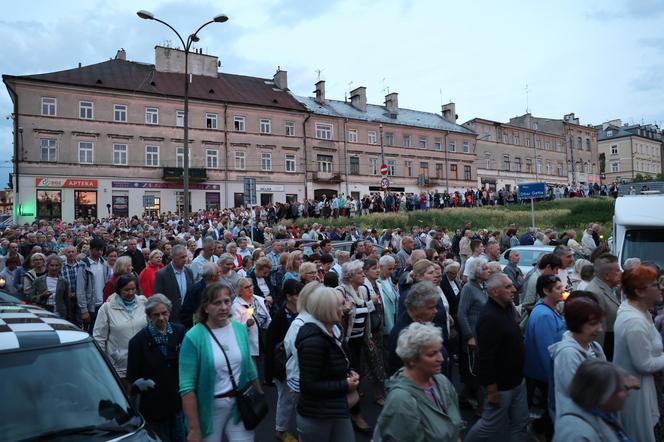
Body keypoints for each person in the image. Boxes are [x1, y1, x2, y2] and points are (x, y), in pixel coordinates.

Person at [179, 283, 261, 442]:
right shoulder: (193, 337)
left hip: (240, 404)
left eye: (227, 301)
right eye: (217, 303)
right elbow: (187, 386)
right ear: (206, 308)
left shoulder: (239, 328)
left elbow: (249, 366)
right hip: (210, 408)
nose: (223, 307)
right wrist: (194, 428)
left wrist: (259, 396)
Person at [465, 273, 528, 441]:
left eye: (512, 285)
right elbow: (485, 357)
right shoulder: (489, 318)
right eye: (507, 287)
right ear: (494, 292)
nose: (514, 289)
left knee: (520, 421)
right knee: (490, 425)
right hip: (501, 385)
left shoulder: (506, 307)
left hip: (517, 380)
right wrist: (492, 390)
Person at [377, 322, 462, 442]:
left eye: (439, 351)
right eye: (432, 354)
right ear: (412, 359)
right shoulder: (401, 400)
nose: (441, 359)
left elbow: (455, 426)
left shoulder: (441, 381)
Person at [295, 285, 357, 442]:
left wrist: (350, 372)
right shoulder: (314, 342)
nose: (345, 308)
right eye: (341, 304)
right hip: (317, 415)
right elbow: (308, 385)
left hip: (335, 408)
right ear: (329, 309)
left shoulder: (333, 331)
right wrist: (345, 384)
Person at [613, 264, 664, 442]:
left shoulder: (640, 311)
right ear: (640, 292)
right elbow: (644, 364)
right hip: (636, 394)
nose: (661, 287)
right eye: (655, 284)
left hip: (642, 387)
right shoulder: (634, 322)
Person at [127, 294, 186, 442]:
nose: (161, 318)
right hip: (154, 406)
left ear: (169, 313)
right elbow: (133, 377)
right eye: (156, 314)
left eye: (164, 313)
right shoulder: (138, 342)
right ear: (149, 316)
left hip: (177, 402)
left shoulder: (179, 332)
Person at [549, 293, 606, 420]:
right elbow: (579, 395)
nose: (600, 329)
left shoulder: (594, 346)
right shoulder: (567, 354)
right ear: (576, 324)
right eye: (593, 324)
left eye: (600, 323)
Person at [523, 274, 566, 438]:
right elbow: (546, 351)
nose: (562, 290)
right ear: (545, 292)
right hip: (544, 375)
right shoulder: (544, 315)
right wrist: (555, 376)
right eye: (558, 288)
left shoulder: (546, 310)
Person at [552, 360, 633, 442]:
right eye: (621, 389)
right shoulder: (576, 434)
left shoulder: (601, 416)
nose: (627, 394)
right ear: (604, 394)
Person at [337, 260, 372, 433]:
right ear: (350, 277)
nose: (363, 275)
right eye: (360, 272)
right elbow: (337, 314)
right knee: (351, 375)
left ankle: (350, 410)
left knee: (358, 373)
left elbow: (366, 315)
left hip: (359, 340)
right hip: (346, 341)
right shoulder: (340, 291)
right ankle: (354, 414)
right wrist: (346, 309)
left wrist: (368, 335)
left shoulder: (363, 290)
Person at [266, 279, 302, 442]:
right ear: (288, 296)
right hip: (284, 365)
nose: (300, 296)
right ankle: (281, 429)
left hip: (298, 362)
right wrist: (270, 372)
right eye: (297, 294)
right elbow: (271, 346)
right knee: (285, 399)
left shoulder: (301, 312)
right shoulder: (280, 317)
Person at [93, 274, 148, 380]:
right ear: (118, 290)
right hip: (119, 364)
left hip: (143, 361)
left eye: (133, 289)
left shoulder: (144, 303)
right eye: (126, 290)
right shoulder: (107, 308)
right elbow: (99, 337)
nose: (131, 293)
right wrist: (104, 362)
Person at [456, 257, 490, 411]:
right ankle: (483, 410)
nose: (488, 271)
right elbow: (461, 314)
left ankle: (462, 398)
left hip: (482, 335)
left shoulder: (482, 286)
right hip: (473, 336)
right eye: (485, 268)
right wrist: (469, 336)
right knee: (478, 371)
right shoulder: (469, 288)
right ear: (477, 271)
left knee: (475, 370)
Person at [586, 253, 622, 361]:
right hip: (606, 350)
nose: (620, 273)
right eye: (618, 270)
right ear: (607, 275)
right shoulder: (595, 293)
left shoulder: (607, 288)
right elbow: (598, 332)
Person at [231, 277, 271, 368]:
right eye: (246, 287)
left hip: (264, 337)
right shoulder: (236, 306)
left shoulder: (258, 299)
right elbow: (235, 329)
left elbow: (267, 317)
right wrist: (247, 325)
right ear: (240, 291)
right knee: (254, 369)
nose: (250, 288)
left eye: (251, 286)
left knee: (264, 366)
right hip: (251, 343)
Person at [77, 238, 112, 332]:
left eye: (101, 250)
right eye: (97, 249)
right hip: (91, 306)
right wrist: (84, 310)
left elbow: (108, 283)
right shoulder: (84, 265)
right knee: (91, 331)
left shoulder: (104, 264)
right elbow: (80, 289)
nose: (100, 252)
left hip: (103, 304)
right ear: (91, 249)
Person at [153, 244, 193, 324]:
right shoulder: (162, 274)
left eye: (185, 256)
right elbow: (158, 298)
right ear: (173, 257)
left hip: (187, 317)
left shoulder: (189, 272)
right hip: (171, 319)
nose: (185, 259)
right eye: (182, 257)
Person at [180, 262, 221, 329]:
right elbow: (186, 313)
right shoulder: (196, 290)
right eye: (218, 273)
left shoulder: (218, 288)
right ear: (213, 276)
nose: (220, 275)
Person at [31, 254, 70, 319]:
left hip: (59, 313)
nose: (54, 268)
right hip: (43, 312)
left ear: (60, 266)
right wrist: (42, 295)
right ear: (47, 266)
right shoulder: (38, 280)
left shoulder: (64, 281)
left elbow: (66, 300)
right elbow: (31, 298)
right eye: (51, 265)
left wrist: (68, 314)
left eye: (57, 265)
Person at [376, 255, 399, 337]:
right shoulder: (376, 282)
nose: (392, 271)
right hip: (385, 326)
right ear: (381, 267)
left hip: (394, 322)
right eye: (389, 269)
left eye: (393, 269)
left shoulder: (389, 279)